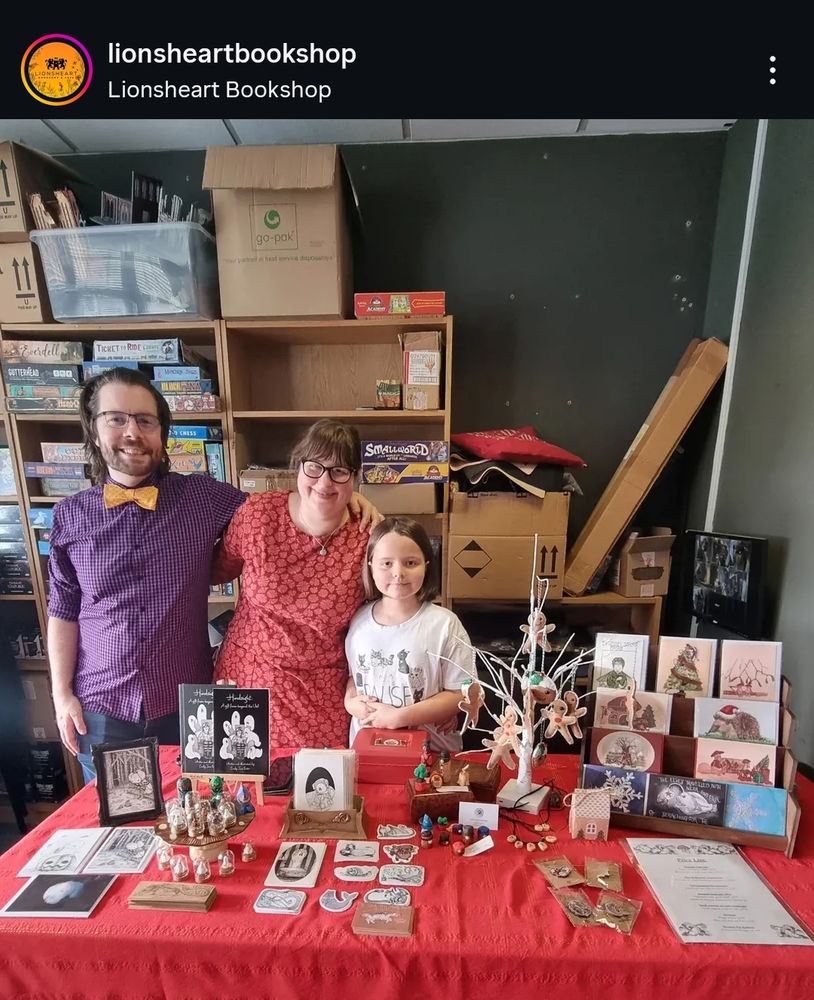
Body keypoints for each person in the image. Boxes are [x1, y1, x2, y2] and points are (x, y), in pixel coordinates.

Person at [48, 371, 374, 782]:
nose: (132, 432)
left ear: (162, 433)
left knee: (202, 813)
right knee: (123, 821)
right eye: (115, 419)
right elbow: (63, 611)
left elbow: (296, 506)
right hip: (100, 705)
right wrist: (62, 695)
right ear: (93, 430)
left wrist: (344, 493)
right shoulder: (69, 516)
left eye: (145, 421)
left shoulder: (202, 499)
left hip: (187, 703)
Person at [212, 419, 379, 749]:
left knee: (322, 793)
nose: (325, 482)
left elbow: (385, 611)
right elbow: (217, 570)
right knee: (242, 794)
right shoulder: (257, 515)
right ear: (298, 466)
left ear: (356, 478)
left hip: (324, 695)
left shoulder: (368, 536)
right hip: (248, 682)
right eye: (314, 467)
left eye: (340, 471)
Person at [344, 516, 474, 752]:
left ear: (427, 564)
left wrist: (399, 717)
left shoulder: (444, 624)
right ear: (370, 565)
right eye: (386, 563)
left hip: (433, 753)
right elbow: (357, 676)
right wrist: (350, 702)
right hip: (368, 752)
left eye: (411, 563)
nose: (398, 573)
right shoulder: (357, 621)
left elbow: (460, 694)